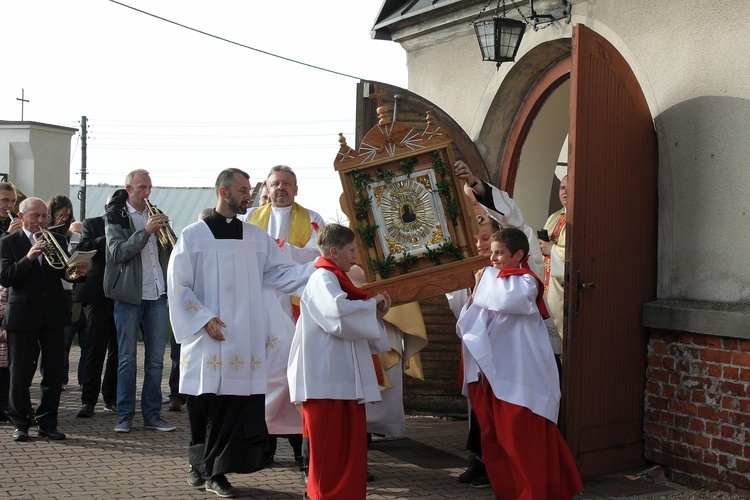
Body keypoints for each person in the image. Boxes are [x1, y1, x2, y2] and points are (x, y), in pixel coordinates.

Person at [167, 168, 315, 498]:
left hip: (241, 339)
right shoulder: (194, 236)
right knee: (201, 402)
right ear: (223, 192)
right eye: (242, 190)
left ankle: (217, 472)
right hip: (207, 334)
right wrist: (204, 319)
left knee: (231, 404)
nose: (249, 195)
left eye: (249, 190)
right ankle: (198, 464)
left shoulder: (255, 237)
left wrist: (319, 270)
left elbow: (283, 274)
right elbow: (178, 286)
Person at [456, 228, 582, 498]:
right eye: (492, 253)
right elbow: (468, 322)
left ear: (519, 255)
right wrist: (480, 288)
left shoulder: (526, 282)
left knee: (522, 440)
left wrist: (483, 282)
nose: (493, 260)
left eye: (499, 253)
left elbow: (505, 300)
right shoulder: (491, 282)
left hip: (522, 376)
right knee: (497, 442)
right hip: (495, 375)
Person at [287, 223, 391, 500]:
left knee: (348, 450)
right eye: (351, 250)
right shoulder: (322, 279)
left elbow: (351, 318)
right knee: (329, 452)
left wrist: (374, 312)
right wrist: (372, 306)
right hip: (326, 380)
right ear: (334, 251)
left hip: (342, 379)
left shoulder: (336, 279)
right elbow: (337, 316)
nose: (356, 256)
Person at [243, 165, 325, 464]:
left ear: (296, 188)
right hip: (263, 305)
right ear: (268, 187)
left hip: (296, 306)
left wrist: (284, 250)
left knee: (295, 377)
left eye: (287, 183)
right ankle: (264, 446)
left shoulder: (313, 218)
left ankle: (300, 450)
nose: (281, 188)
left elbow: (320, 254)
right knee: (266, 378)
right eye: (275, 183)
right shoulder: (253, 217)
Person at [0, 197, 89, 442]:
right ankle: (20, 422)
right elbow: (6, 277)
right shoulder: (8, 242)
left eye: (43, 217)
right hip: (22, 314)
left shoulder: (58, 240)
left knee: (53, 372)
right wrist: (28, 258)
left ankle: (48, 422)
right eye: (35, 216)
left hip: (53, 312)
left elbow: (66, 273)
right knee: (20, 372)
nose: (40, 221)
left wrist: (78, 273)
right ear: (21, 217)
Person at [104, 169, 174, 433]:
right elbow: (117, 252)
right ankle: (125, 415)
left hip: (156, 294)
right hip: (129, 296)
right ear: (129, 188)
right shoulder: (115, 216)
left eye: (150, 188)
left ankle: (152, 414)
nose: (147, 193)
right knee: (127, 359)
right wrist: (145, 231)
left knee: (156, 360)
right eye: (142, 187)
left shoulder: (154, 213)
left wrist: (167, 234)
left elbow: (172, 249)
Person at [75, 192, 120, 418]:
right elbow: (84, 248)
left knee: (118, 351)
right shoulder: (91, 223)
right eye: (112, 205)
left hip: (122, 295)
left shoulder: (128, 224)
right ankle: (88, 400)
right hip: (98, 296)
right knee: (95, 349)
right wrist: (110, 232)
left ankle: (110, 397)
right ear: (105, 206)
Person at [47, 195, 87, 390]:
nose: (63, 219)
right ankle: (57, 380)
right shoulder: (47, 234)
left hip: (70, 293)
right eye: (60, 215)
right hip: (52, 293)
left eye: (67, 215)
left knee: (65, 340)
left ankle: (66, 380)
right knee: (59, 343)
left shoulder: (69, 237)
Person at [0, 182, 21, 424]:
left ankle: (5, 405)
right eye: (5, 201)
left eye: (12, 201)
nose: (9, 206)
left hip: (10, 297)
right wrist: (7, 237)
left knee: (6, 356)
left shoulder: (13, 224)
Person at [539, 175, 568, 342]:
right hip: (548, 282)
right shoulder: (554, 217)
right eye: (562, 188)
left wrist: (553, 249)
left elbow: (577, 254)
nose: (565, 192)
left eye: (569, 188)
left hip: (563, 287)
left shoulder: (582, 217)